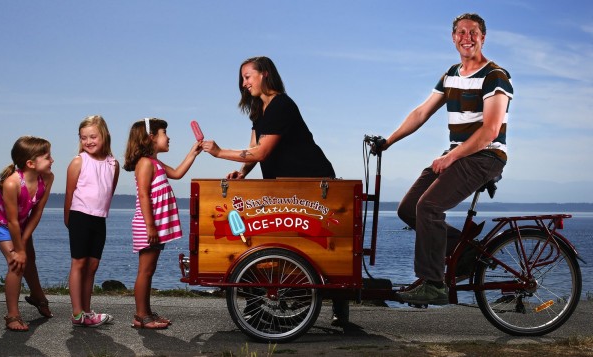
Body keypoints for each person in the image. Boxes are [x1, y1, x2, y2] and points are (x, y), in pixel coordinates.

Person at [201, 56, 347, 326]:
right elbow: (254, 149)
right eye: (242, 79)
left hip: (311, 181)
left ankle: (339, 306)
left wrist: (220, 153)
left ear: (265, 74)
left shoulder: (282, 105)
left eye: (248, 76)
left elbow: (263, 151)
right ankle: (260, 304)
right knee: (271, 240)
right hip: (284, 186)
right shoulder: (260, 109)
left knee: (321, 244)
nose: (244, 84)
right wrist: (242, 173)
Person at [379, 13, 513, 306]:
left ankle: (433, 284)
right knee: (407, 209)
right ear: (453, 38)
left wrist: (451, 156)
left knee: (428, 206)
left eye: (473, 32)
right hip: (457, 154)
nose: (467, 37)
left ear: (483, 37)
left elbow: (490, 130)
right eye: (461, 32)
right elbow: (421, 113)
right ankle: (468, 254)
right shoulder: (452, 74)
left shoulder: (495, 76)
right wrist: (387, 142)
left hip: (485, 155)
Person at [123, 117, 202, 329]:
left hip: (155, 226)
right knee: (145, 271)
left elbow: (177, 173)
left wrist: (193, 152)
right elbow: (144, 195)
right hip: (149, 226)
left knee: (149, 270)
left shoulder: (155, 162)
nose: (168, 137)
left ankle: (146, 312)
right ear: (151, 138)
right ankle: (141, 315)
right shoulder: (145, 164)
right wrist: (150, 226)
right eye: (164, 133)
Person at [0, 136, 55, 331]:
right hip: (1, 222)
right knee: (16, 263)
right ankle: (12, 315)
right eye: (48, 157)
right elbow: (11, 221)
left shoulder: (47, 178)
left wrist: (23, 243)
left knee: (29, 258)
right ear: (30, 163)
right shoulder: (12, 184)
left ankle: (38, 297)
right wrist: (19, 249)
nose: (53, 160)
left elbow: (37, 212)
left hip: (21, 223)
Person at [64, 115, 120, 327]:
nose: (88, 141)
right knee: (78, 263)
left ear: (104, 136)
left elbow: (110, 191)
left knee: (93, 265)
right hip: (79, 216)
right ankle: (77, 313)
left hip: (99, 219)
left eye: (93, 136)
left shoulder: (113, 164)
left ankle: (88, 311)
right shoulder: (79, 161)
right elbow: (69, 193)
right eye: (84, 137)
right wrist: (68, 220)